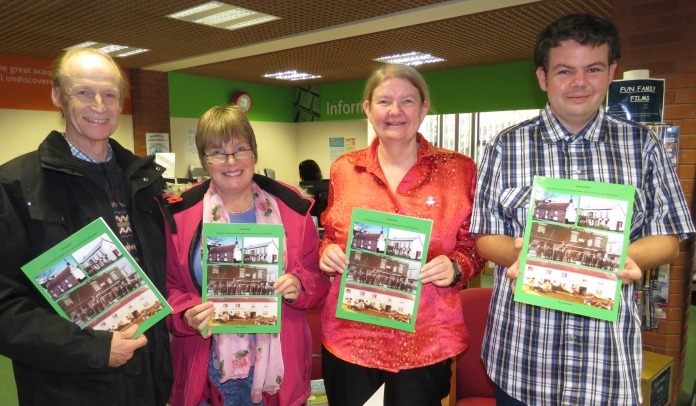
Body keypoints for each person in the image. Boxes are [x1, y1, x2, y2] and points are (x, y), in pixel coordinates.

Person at [470, 13, 695, 405]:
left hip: (605, 362)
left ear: (611, 73)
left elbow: (670, 237)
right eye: (564, 71)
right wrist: (520, 252)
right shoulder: (504, 147)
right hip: (523, 359)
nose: (579, 83)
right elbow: (484, 234)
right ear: (543, 78)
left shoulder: (645, 147)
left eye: (592, 69)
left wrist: (624, 255)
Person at [0, 48, 172, 405]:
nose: (99, 104)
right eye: (83, 92)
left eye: (110, 94)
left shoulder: (144, 182)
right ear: (57, 96)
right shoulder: (15, 186)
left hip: (147, 379)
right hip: (68, 387)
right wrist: (91, 349)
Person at [318, 64, 485, 406]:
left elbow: (475, 246)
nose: (395, 111)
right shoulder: (344, 169)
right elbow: (331, 235)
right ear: (367, 108)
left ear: (424, 108)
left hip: (424, 340)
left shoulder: (458, 170)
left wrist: (456, 267)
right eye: (384, 102)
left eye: (407, 101)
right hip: (351, 335)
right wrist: (327, 252)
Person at [157, 105, 330, 406]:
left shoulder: (292, 208)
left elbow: (319, 279)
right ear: (204, 160)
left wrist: (300, 287)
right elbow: (167, 289)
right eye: (217, 153)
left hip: (277, 371)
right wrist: (186, 315)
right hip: (207, 368)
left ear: (254, 153)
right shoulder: (179, 215)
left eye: (240, 149)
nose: (231, 161)